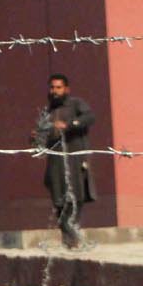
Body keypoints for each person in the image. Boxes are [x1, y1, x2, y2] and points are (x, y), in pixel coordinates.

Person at [35, 73, 95, 248]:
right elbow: (41, 137)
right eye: (52, 87)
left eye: (58, 87)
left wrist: (69, 125)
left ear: (66, 89)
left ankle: (72, 240)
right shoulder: (48, 112)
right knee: (59, 201)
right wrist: (35, 136)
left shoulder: (76, 104)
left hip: (75, 159)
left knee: (75, 198)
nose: (55, 91)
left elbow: (89, 118)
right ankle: (69, 240)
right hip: (55, 163)